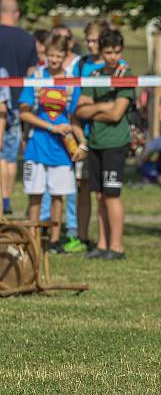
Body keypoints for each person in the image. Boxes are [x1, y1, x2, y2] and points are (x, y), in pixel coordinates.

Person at [18, 34, 87, 249]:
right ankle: (33, 239)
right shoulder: (36, 78)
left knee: (59, 196)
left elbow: (75, 116)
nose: (54, 60)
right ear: (45, 55)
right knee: (35, 196)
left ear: (65, 57)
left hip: (61, 149)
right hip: (37, 145)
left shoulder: (69, 82)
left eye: (58, 56)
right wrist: (50, 127)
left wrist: (82, 142)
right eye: (50, 56)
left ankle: (55, 240)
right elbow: (24, 113)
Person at [75, 29, 134, 260]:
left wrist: (96, 108)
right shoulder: (95, 75)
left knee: (112, 195)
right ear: (101, 52)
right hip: (95, 142)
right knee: (98, 195)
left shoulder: (125, 74)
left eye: (116, 52)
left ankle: (117, 247)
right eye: (108, 52)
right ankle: (102, 243)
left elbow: (117, 114)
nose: (112, 56)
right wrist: (103, 107)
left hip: (114, 143)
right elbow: (80, 110)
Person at [0, 0, 38, 215]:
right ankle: (6, 199)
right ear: (17, 13)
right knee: (10, 156)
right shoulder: (27, 39)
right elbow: (32, 75)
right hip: (18, 103)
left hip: (1, 104)